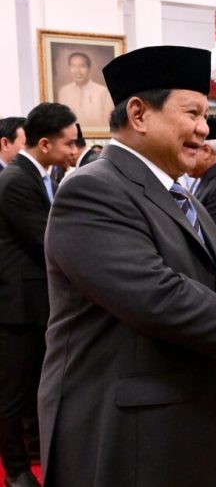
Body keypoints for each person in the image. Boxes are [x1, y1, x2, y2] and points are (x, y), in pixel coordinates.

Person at [38, 46, 216, 487]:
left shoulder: (177, 192)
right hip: (125, 430)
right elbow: (157, 296)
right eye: (193, 112)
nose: (204, 128)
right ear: (139, 113)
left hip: (180, 420)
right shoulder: (94, 190)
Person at [0, 103, 78, 487]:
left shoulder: (36, 175)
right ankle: (16, 472)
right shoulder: (17, 180)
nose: (74, 151)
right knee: (13, 393)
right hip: (17, 306)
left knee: (31, 386)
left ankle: (30, 454)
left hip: (32, 303)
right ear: (45, 144)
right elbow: (46, 239)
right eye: (69, 143)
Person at [56, 52, 115, 128]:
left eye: (82, 66)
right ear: (69, 68)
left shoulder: (103, 91)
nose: (77, 71)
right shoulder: (64, 92)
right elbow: (61, 122)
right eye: (73, 66)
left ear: (89, 68)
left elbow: (108, 122)